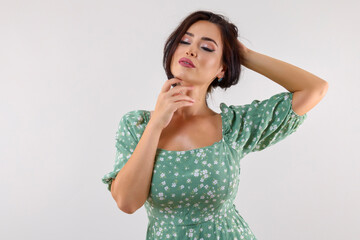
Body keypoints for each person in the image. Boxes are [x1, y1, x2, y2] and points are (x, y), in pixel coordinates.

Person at [102, 10, 328, 240]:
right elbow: (127, 202)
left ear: (222, 69)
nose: (191, 50)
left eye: (207, 48)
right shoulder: (137, 125)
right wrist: (156, 126)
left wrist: (244, 55)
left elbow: (314, 89)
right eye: (184, 41)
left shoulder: (234, 128)